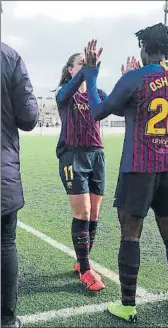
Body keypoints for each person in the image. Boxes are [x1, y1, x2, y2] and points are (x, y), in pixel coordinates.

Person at [83, 22, 168, 321]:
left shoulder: (137, 77)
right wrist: (125, 84)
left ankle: (128, 306)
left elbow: (98, 111)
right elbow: (133, 108)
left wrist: (92, 74)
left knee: (130, 234)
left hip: (139, 166)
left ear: (144, 48)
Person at [54, 51, 107, 292]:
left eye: (89, 65)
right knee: (82, 212)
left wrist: (132, 76)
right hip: (72, 155)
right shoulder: (65, 93)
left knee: (94, 214)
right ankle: (86, 269)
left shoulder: (96, 93)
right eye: (80, 64)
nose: (86, 67)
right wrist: (88, 69)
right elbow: (67, 91)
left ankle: (81, 260)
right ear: (70, 70)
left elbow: (116, 102)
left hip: (97, 155)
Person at [1, 3, 39, 327]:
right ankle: (7, 318)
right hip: (2, 174)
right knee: (5, 244)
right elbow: (29, 118)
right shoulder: (10, 58)